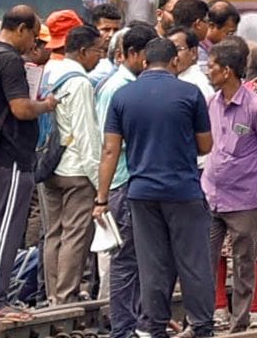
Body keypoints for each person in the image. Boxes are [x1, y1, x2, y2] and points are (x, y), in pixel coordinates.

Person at [96, 38, 214, 338]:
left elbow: (110, 151)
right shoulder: (190, 93)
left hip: (141, 194)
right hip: (183, 191)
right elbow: (205, 145)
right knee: (193, 262)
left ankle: (154, 327)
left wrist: (101, 198)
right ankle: (201, 326)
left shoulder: (122, 96)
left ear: (145, 62)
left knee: (152, 265)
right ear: (175, 62)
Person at [0, 7, 58, 321]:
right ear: (21, 29)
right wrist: (47, 104)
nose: (34, 44)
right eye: (34, 36)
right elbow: (21, 109)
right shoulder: (9, 60)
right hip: (9, 157)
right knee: (5, 232)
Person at [202, 39, 257, 332]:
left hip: (244, 198)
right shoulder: (212, 103)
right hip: (212, 194)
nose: (208, 72)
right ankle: (205, 317)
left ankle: (240, 322)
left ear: (227, 71)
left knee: (244, 262)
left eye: (212, 67)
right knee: (205, 260)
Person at [95, 24, 156, 338]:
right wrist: (101, 197)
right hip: (122, 180)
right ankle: (122, 327)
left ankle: (131, 322)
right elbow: (109, 145)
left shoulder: (128, 84)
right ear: (131, 54)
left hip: (128, 180)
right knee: (125, 258)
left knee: (135, 256)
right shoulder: (119, 88)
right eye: (147, 55)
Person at [39, 26, 103, 305]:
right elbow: (86, 134)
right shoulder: (81, 82)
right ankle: (66, 296)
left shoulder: (49, 73)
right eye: (98, 51)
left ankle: (52, 294)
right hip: (76, 170)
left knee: (53, 232)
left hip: (47, 165)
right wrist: (100, 182)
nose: (100, 57)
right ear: (83, 51)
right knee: (75, 235)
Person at [169, 27, 213, 96]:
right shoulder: (178, 78)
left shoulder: (193, 83)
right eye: (169, 50)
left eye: (177, 49)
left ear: (193, 52)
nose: (172, 55)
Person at [89, 4, 125, 85]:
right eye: (106, 29)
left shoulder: (124, 59)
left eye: (116, 30)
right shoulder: (87, 61)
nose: (111, 34)